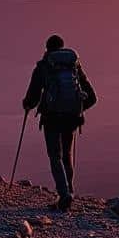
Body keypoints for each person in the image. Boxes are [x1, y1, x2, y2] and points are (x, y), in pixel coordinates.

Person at [22, 34, 97, 211]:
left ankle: (64, 195)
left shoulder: (44, 66)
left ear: (47, 49)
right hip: (71, 118)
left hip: (52, 118)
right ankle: (69, 190)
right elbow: (92, 97)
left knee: (55, 156)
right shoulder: (74, 66)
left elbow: (33, 95)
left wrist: (27, 105)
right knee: (66, 155)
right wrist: (78, 108)